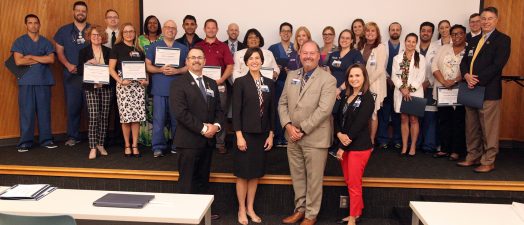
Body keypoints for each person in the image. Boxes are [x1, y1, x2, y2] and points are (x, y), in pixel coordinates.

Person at [279, 41, 337, 225]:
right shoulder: (291, 76)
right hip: (292, 137)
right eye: (305, 53)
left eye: (312, 53)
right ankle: (300, 210)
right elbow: (282, 103)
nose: (308, 56)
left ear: (319, 55)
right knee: (297, 177)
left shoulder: (328, 79)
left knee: (313, 179)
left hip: (315, 137)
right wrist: (288, 126)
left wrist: (302, 129)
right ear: (299, 55)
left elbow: (324, 110)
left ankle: (311, 215)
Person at [458, 7, 511, 173]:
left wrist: (476, 79)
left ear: (496, 20)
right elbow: (464, 62)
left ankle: (488, 160)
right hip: (471, 89)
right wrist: (466, 75)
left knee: (489, 128)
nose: (486, 22)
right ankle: (473, 156)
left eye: (489, 18)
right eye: (483, 18)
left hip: (488, 90)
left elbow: (497, 65)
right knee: (471, 126)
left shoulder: (502, 40)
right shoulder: (473, 40)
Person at [170, 47, 224, 194]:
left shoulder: (211, 83)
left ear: (204, 61)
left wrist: (216, 127)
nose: (196, 60)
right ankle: (186, 215)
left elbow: (218, 109)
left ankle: (204, 215)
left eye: (199, 57)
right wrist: (204, 129)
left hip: (207, 142)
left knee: (203, 181)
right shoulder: (178, 83)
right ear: (187, 61)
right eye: (193, 57)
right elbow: (180, 113)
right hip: (188, 142)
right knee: (187, 182)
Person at [232, 47, 275, 225]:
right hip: (245, 135)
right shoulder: (240, 82)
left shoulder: (269, 83)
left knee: (255, 174)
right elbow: (236, 112)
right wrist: (239, 136)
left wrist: (271, 134)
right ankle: (241, 209)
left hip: (262, 135)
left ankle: (250, 208)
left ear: (262, 61)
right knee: (243, 174)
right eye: (251, 58)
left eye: (258, 58)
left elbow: (272, 112)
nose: (255, 61)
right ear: (246, 61)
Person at [334, 64, 375, 225]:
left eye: (358, 75)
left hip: (359, 147)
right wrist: (338, 134)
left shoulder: (367, 98)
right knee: (350, 181)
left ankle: (352, 218)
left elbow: (359, 124)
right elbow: (337, 119)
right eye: (351, 76)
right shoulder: (345, 95)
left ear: (364, 77)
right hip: (345, 144)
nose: (354, 79)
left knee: (354, 184)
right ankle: (357, 211)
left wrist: (342, 146)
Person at [11, 14, 57, 152]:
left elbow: (51, 60)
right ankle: (25, 142)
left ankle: (46, 140)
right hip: (26, 82)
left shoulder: (46, 42)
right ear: (26, 25)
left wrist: (30, 56)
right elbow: (19, 61)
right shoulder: (19, 42)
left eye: (36, 22)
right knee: (27, 112)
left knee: (44, 112)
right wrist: (40, 59)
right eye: (30, 23)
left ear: (39, 24)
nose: (33, 25)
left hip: (43, 81)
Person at [145, 20, 188, 157]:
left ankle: (177, 145)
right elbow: (148, 66)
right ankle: (158, 147)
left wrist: (177, 71)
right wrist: (159, 69)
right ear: (163, 30)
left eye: (173, 28)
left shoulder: (183, 48)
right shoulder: (154, 47)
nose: (170, 30)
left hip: (177, 90)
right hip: (159, 90)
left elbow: (189, 67)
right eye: (168, 27)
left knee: (177, 120)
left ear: (176, 31)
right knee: (159, 120)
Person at [109, 23, 148, 157]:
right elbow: (111, 69)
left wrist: (145, 80)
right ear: (122, 34)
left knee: (136, 118)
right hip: (123, 86)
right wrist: (120, 81)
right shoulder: (117, 48)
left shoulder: (140, 49)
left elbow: (144, 70)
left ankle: (135, 145)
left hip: (137, 87)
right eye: (126, 32)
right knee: (126, 118)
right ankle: (127, 145)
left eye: (131, 31)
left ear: (135, 33)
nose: (128, 34)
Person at [195, 19, 235, 154]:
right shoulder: (198, 46)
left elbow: (230, 65)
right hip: (201, 84)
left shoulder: (223, 46)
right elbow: (192, 63)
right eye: (208, 28)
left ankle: (220, 142)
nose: (211, 30)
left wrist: (222, 80)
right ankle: (202, 140)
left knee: (221, 112)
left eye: (213, 28)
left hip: (220, 85)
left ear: (217, 29)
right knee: (200, 110)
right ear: (204, 29)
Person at [54, 0, 90, 146]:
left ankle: (93, 138)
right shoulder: (63, 31)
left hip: (90, 76)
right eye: (78, 10)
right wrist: (68, 65)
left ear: (86, 13)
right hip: (72, 76)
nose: (80, 12)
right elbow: (59, 51)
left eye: (83, 10)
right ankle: (73, 136)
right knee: (73, 107)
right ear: (74, 12)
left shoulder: (92, 29)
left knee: (92, 109)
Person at [431, 24, 467, 161]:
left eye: (460, 34)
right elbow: (434, 66)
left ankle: (457, 150)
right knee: (444, 120)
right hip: (443, 90)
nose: (457, 36)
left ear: (464, 35)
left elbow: (471, 68)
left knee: (459, 121)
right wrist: (444, 81)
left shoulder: (470, 48)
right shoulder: (443, 48)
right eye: (454, 34)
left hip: (460, 91)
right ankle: (445, 148)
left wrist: (455, 80)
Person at [77, 25, 111, 159]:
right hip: (91, 88)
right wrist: (87, 63)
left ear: (103, 37)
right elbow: (79, 70)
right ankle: (92, 146)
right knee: (93, 116)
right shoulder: (84, 51)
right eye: (93, 35)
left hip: (106, 87)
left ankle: (100, 144)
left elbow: (113, 68)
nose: (96, 37)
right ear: (89, 37)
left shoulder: (108, 51)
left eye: (98, 35)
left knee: (104, 116)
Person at [392, 33, 426, 156]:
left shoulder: (420, 58)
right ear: (405, 42)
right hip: (401, 92)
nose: (410, 44)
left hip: (414, 93)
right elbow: (394, 76)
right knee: (404, 118)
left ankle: (413, 146)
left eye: (413, 42)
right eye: (408, 41)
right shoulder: (397, 58)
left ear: (416, 43)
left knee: (413, 119)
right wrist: (403, 89)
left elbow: (421, 76)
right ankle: (405, 145)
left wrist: (410, 89)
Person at [377, 22, 403, 150]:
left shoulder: (405, 46)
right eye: (393, 29)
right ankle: (383, 139)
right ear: (389, 31)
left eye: (397, 29)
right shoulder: (382, 46)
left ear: (400, 32)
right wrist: (388, 77)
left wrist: (396, 80)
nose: (395, 31)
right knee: (384, 113)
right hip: (385, 82)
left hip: (400, 84)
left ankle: (398, 140)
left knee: (397, 112)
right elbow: (380, 64)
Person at [361, 22, 387, 146]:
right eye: (367, 31)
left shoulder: (380, 47)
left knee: (373, 113)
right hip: (359, 84)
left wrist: (367, 82)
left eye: (373, 31)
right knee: (362, 113)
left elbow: (380, 69)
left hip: (374, 84)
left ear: (377, 34)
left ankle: (371, 140)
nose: (370, 33)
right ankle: (363, 139)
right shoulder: (361, 46)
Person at [268, 22, 294, 147]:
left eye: (288, 31)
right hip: (278, 84)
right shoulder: (272, 48)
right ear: (279, 33)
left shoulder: (296, 48)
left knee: (291, 110)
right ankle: (277, 137)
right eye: (283, 31)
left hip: (294, 85)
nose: (285, 33)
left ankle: (288, 136)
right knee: (278, 110)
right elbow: (266, 65)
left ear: (291, 33)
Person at [417, 21, 439, 154]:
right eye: (423, 30)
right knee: (415, 116)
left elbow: (438, 66)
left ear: (432, 33)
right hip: (415, 87)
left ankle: (429, 145)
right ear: (420, 32)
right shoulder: (412, 46)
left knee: (430, 117)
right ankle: (417, 143)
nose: (425, 33)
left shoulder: (438, 48)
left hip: (430, 87)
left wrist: (428, 82)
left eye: (428, 31)